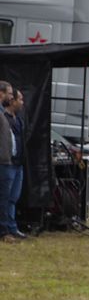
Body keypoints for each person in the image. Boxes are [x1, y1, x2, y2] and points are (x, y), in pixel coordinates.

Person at [3, 86, 26, 239]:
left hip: (18, 163)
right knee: (5, 197)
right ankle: (5, 227)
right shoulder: (4, 118)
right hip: (8, 163)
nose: (22, 103)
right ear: (13, 101)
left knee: (13, 197)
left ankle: (12, 226)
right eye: (20, 99)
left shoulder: (19, 120)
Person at [0, 81, 17, 243]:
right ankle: (3, 231)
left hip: (6, 160)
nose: (11, 97)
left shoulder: (3, 113)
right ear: (1, 93)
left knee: (5, 197)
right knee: (3, 198)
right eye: (9, 93)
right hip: (2, 162)